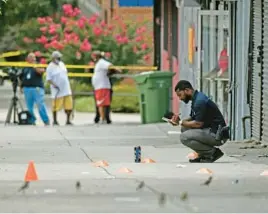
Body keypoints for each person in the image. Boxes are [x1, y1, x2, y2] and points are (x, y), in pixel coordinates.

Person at [171, 80, 229, 163]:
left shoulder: (199, 101)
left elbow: (198, 123)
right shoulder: (196, 98)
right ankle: (204, 155)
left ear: (187, 90)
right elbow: (193, 118)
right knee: (185, 128)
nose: (180, 98)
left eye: (180, 95)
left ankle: (212, 153)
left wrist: (180, 123)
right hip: (211, 131)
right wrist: (179, 121)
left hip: (217, 135)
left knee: (184, 137)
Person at [19, 52, 50, 126]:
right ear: (27, 59)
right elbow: (22, 78)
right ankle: (32, 120)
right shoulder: (25, 67)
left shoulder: (38, 65)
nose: (32, 59)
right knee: (29, 107)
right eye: (30, 57)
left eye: (33, 57)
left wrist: (35, 66)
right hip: (27, 89)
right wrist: (21, 87)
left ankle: (46, 120)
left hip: (37, 89)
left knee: (40, 104)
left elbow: (41, 71)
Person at [91, 51, 120, 123]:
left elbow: (109, 66)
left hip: (102, 86)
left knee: (101, 103)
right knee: (101, 103)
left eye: (94, 56)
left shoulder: (101, 62)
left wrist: (116, 69)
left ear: (96, 57)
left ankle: (103, 118)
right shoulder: (98, 63)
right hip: (99, 86)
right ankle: (103, 118)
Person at [46, 51, 73, 126]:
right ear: (53, 58)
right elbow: (48, 79)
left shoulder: (62, 64)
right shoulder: (50, 67)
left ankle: (68, 120)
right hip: (57, 90)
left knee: (69, 105)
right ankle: (55, 120)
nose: (59, 59)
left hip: (66, 88)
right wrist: (54, 84)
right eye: (58, 57)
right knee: (55, 106)